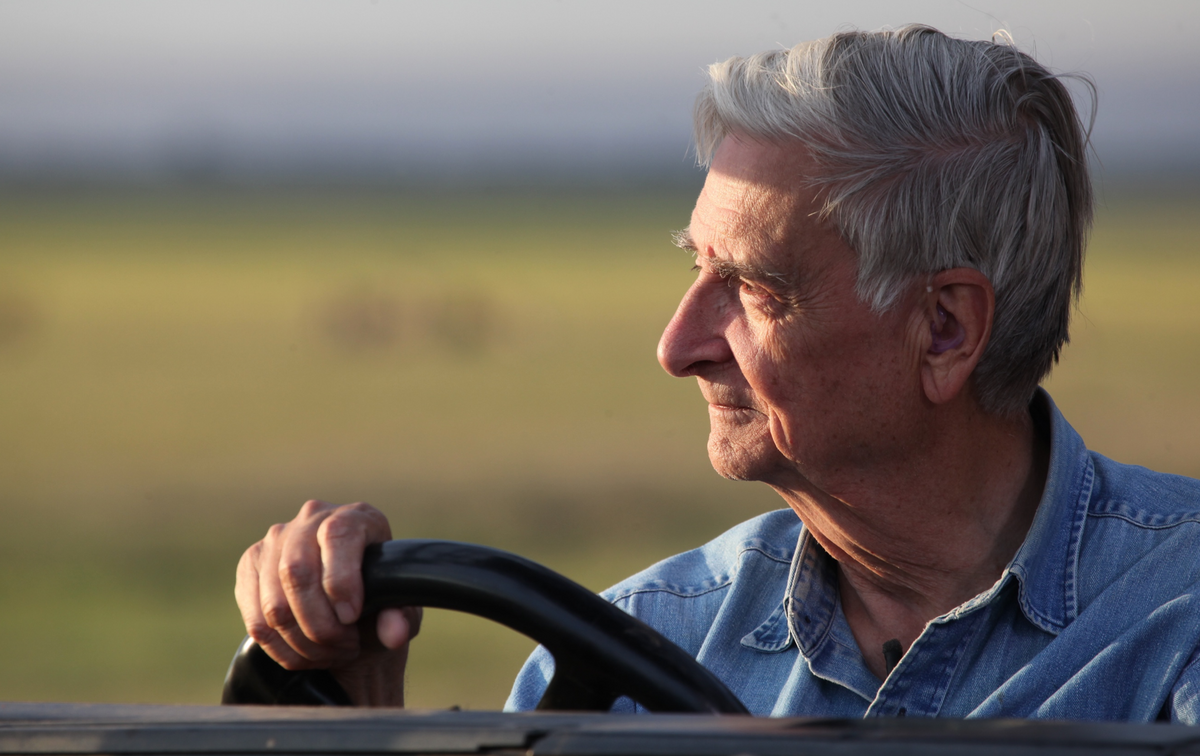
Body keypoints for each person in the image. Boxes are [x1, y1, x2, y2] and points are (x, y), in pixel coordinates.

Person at [234, 25, 1200, 720]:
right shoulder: (635, 642)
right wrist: (352, 711)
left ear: (944, 330)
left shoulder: (1178, 619)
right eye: (696, 269)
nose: (677, 345)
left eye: (752, 287)